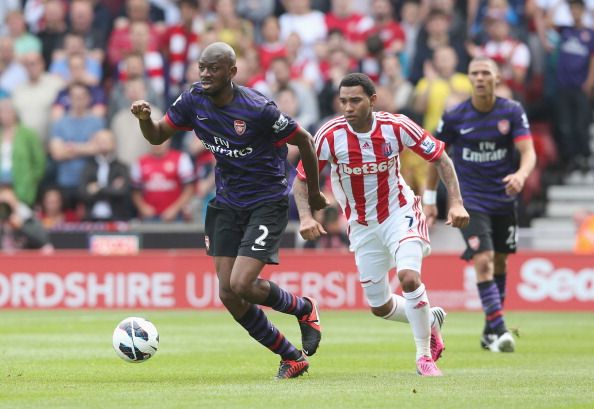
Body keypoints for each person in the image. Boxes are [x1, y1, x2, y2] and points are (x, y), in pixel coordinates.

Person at [130, 42, 328, 379]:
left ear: (232, 72)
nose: (205, 74)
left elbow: (305, 140)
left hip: (266, 201)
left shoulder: (258, 108)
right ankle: (290, 356)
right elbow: (158, 136)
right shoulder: (193, 100)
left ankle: (303, 308)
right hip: (226, 203)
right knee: (228, 293)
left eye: (214, 68)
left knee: (242, 283)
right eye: (202, 67)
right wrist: (145, 119)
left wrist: (313, 192)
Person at [293, 73, 470, 377]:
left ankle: (423, 357)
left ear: (372, 101)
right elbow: (301, 180)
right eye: (343, 101)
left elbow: (441, 157)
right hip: (361, 226)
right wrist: (306, 217)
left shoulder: (396, 126)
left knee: (408, 276)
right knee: (380, 307)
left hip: (400, 213)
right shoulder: (328, 135)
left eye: (355, 100)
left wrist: (455, 202)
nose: (348, 107)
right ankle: (431, 320)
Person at [424, 57, 536, 353]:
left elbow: (528, 151)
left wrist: (521, 175)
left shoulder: (511, 112)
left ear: (497, 78)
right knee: (483, 259)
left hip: (503, 198)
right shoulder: (455, 116)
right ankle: (500, 331)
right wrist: (430, 199)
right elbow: (432, 154)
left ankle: (489, 331)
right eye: (475, 73)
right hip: (468, 200)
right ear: (469, 79)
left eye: (486, 73)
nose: (480, 78)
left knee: (500, 261)